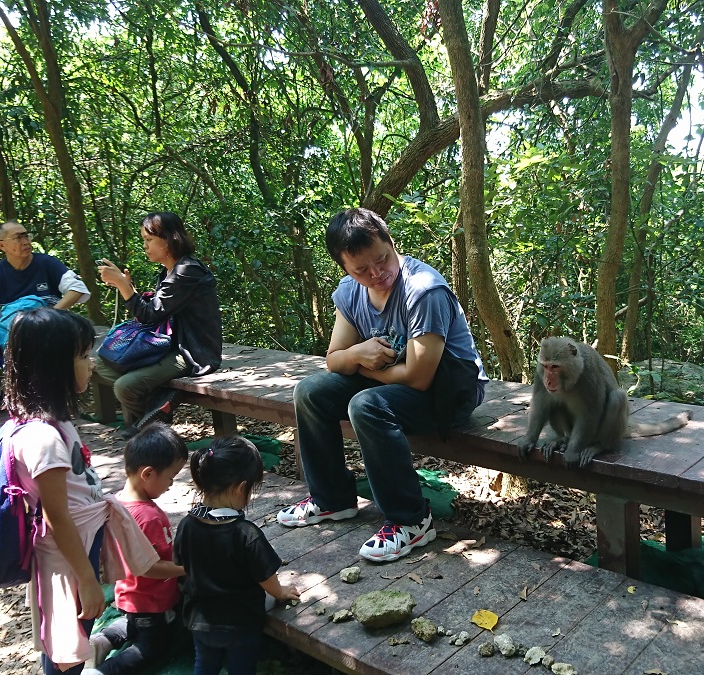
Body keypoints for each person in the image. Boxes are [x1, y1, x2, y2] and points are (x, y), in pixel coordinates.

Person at [276, 208, 488, 562]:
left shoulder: (424, 289)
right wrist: (359, 351)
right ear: (344, 268)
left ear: (391, 242)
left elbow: (420, 378)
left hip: (450, 390)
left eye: (382, 259)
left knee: (367, 404)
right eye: (361, 270)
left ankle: (411, 520)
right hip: (395, 382)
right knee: (311, 392)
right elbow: (334, 359)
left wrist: (364, 367)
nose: (377, 274)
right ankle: (331, 500)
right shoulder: (350, 293)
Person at [2, 307, 159, 675]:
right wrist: (87, 581)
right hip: (66, 558)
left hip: (80, 547)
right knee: (67, 646)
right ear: (55, 365)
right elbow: (57, 516)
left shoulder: (55, 422)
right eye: (82, 356)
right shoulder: (42, 438)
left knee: (72, 636)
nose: (90, 365)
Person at [174, 436, 301, 675]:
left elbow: (181, 564)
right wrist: (281, 592)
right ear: (240, 488)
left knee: (204, 665)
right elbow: (266, 577)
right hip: (240, 624)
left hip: (199, 620)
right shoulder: (246, 534)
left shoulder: (186, 525)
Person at [96, 212, 221, 440]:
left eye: (149, 240)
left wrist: (125, 287)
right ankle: (155, 414)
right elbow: (156, 311)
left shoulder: (187, 271)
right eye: (144, 240)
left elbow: (149, 315)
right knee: (103, 365)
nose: (145, 246)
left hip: (191, 351)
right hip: (167, 344)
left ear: (169, 239)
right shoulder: (168, 271)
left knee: (125, 386)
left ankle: (150, 430)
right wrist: (127, 286)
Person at [85, 423, 188, 675]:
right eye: (170, 477)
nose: (171, 484)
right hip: (151, 601)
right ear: (148, 474)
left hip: (129, 597)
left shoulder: (120, 502)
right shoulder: (148, 517)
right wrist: (188, 568)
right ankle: (102, 672)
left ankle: (101, 641)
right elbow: (149, 568)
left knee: (132, 625)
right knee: (151, 648)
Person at [0, 220, 91, 418]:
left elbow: (77, 289)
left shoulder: (47, 264)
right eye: (18, 237)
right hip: (12, 330)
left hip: (49, 328)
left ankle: (52, 397)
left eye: (26, 235)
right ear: (2, 245)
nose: (25, 240)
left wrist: (50, 314)